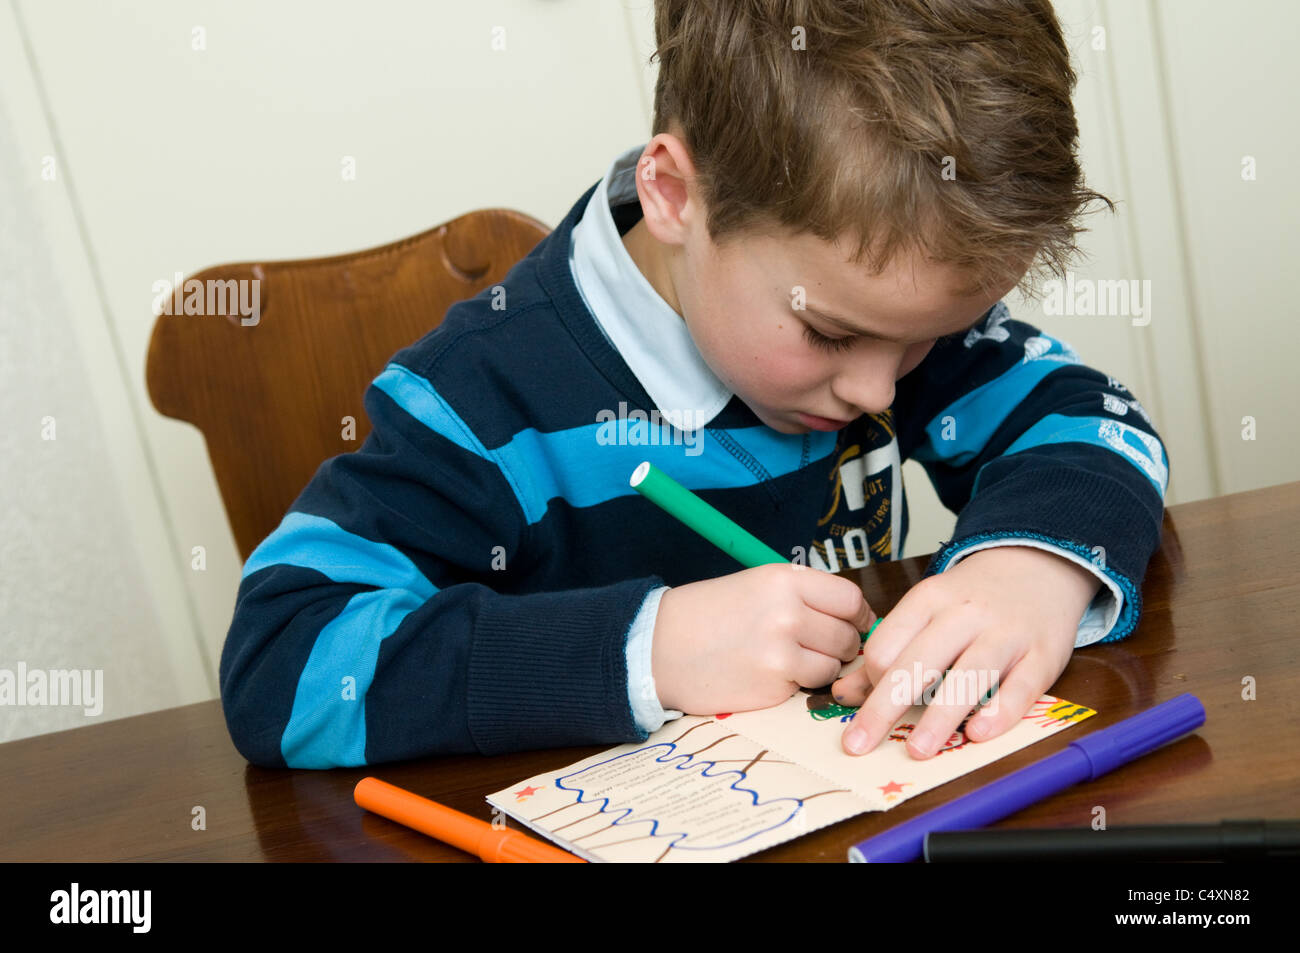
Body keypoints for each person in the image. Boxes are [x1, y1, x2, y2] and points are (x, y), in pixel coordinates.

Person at [220, 0, 1168, 769]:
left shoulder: (891, 314)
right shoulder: (484, 399)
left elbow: (1096, 423)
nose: (879, 390)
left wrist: (1032, 569)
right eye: (828, 332)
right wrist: (646, 646)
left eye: (931, 338)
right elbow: (281, 661)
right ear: (675, 195)